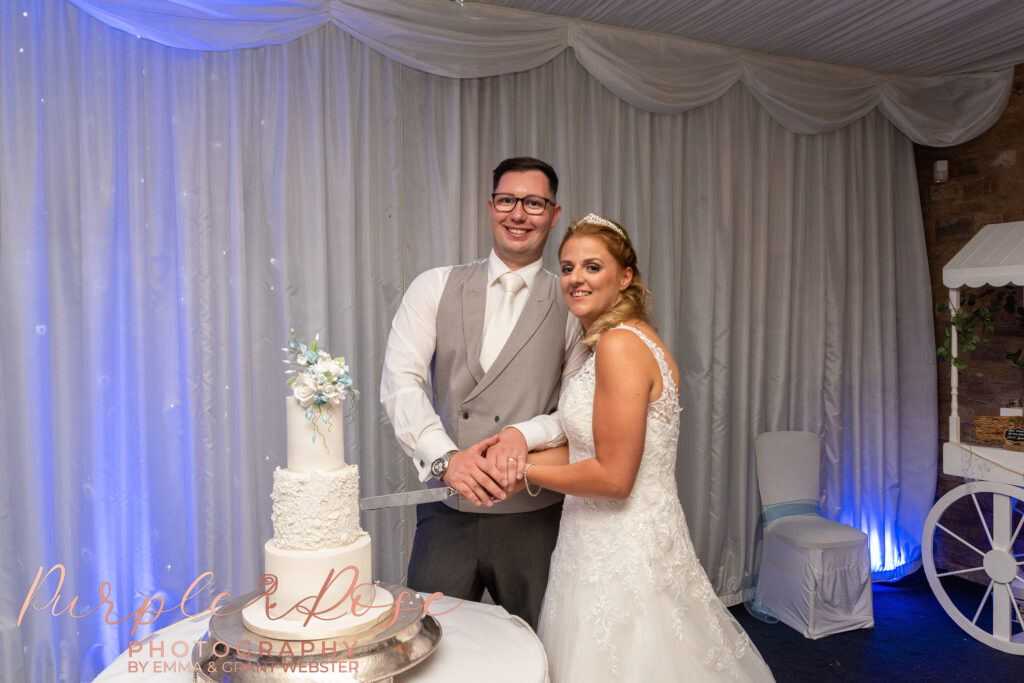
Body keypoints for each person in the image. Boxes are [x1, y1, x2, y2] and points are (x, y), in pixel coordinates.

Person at [518, 214, 775, 681]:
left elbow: (613, 479)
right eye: (568, 266)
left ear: (626, 276)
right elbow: (585, 449)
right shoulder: (629, 340)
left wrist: (522, 472)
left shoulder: (619, 345)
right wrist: (516, 456)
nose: (576, 278)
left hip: (619, 547)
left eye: (592, 267)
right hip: (603, 539)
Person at [380, 157, 587, 628]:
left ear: (554, 215)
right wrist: (446, 459)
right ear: (491, 207)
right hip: (448, 511)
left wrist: (523, 433)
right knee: (428, 647)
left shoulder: (574, 305)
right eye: (508, 200)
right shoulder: (433, 286)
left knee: (543, 648)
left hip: (535, 514)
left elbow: (576, 409)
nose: (519, 214)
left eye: (534, 203)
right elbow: (400, 381)